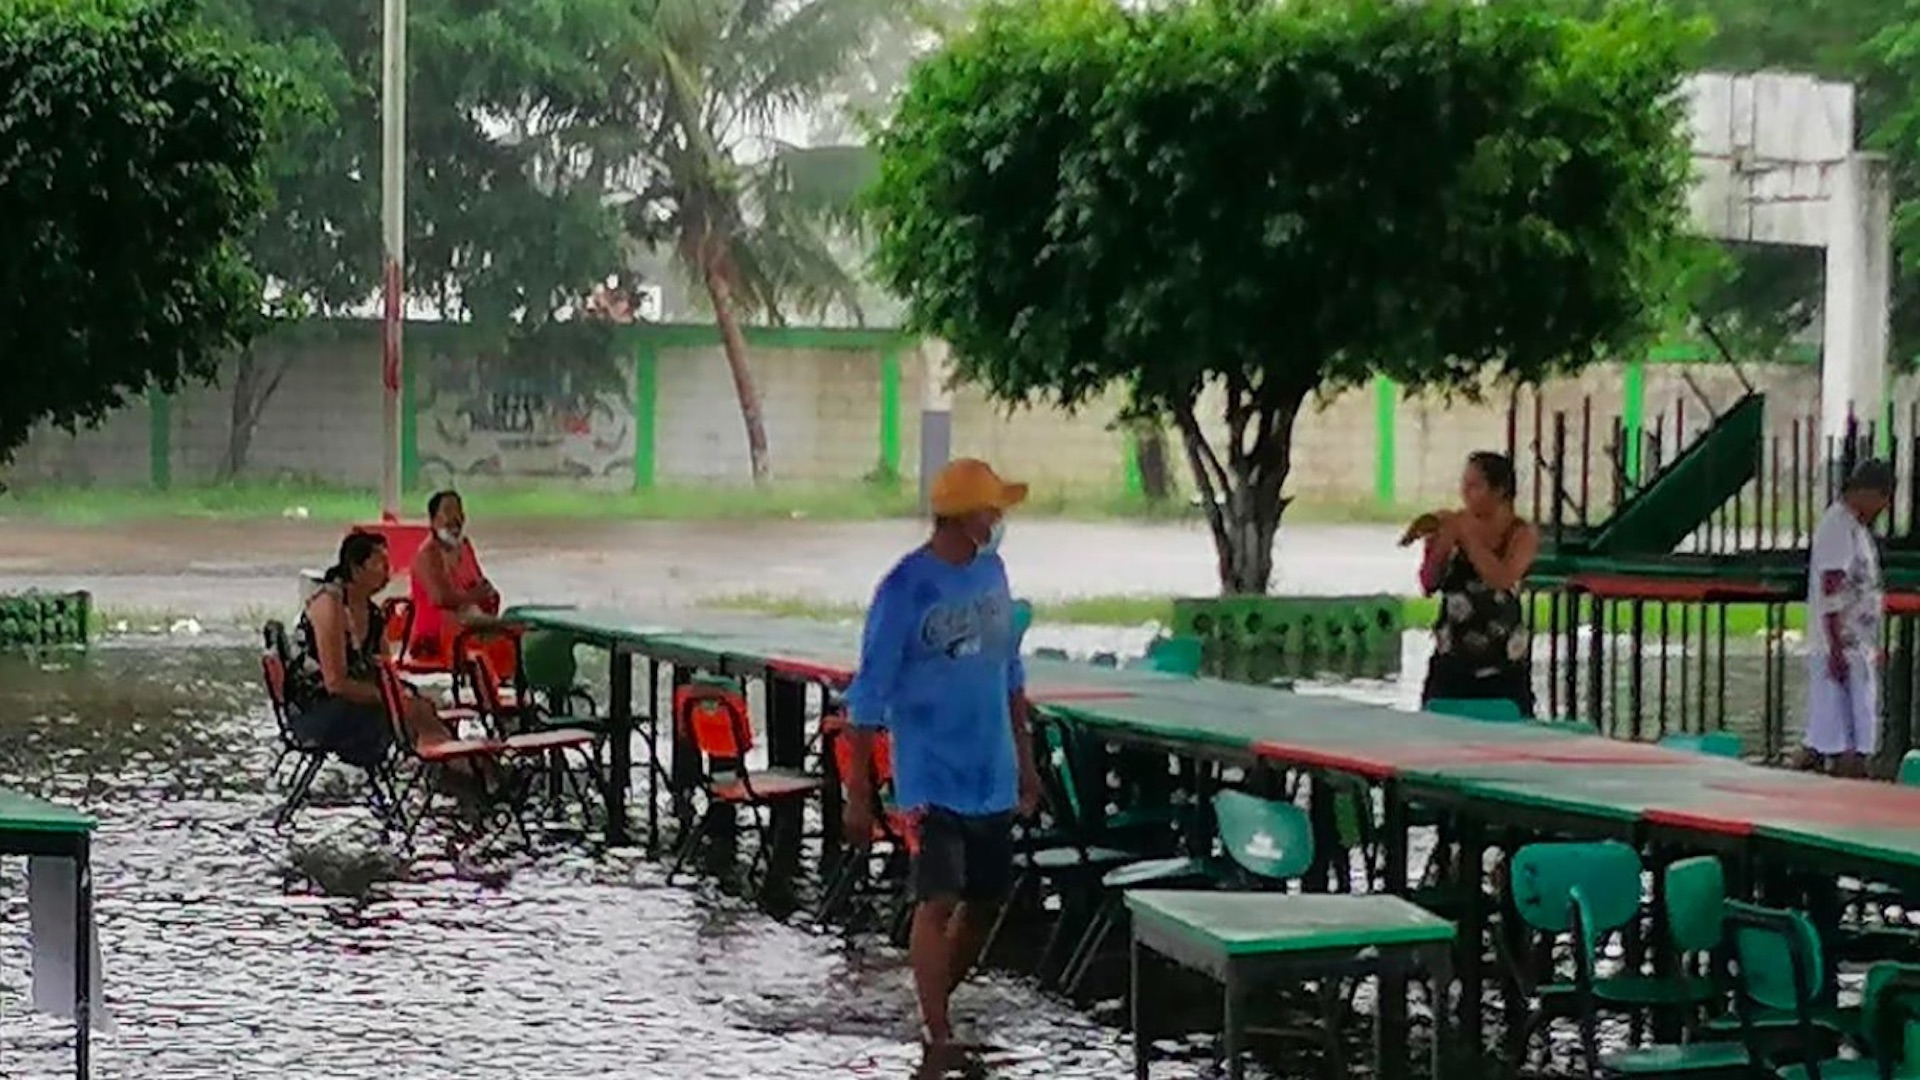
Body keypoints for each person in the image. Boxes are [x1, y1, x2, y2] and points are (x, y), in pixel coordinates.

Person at [841, 458, 1044, 1053]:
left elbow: (1011, 674)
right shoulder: (905, 587)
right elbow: (868, 693)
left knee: (984, 903)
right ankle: (937, 1034)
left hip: (993, 771)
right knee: (938, 898)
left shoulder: (994, 574)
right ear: (966, 517)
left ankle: (932, 1002)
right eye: (993, 510)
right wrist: (859, 792)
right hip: (931, 773)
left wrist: (1027, 764)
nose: (1000, 520)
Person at [288, 531, 456, 766]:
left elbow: (386, 670)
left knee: (424, 708)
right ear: (356, 569)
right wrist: (393, 699)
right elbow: (335, 683)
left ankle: (462, 770)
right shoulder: (330, 604)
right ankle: (466, 773)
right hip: (317, 710)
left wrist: (404, 695)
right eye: (380, 564)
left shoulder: (373, 614)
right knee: (412, 713)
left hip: (352, 701)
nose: (388, 572)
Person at [1409, 450, 1540, 715]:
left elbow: (1502, 579)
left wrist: (1468, 537)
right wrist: (1441, 543)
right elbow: (1429, 583)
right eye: (1464, 485)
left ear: (1500, 490)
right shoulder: (1454, 526)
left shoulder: (1521, 533)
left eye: (1474, 486)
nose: (1465, 493)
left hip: (1504, 662)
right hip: (1452, 658)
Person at [1803, 459, 1893, 777]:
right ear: (1868, 493)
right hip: (1841, 646)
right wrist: (1836, 647)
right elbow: (1832, 587)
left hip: (1857, 645)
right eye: (1882, 501)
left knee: (1855, 731)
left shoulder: (1856, 528)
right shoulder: (1837, 526)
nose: (1882, 510)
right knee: (1841, 736)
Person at [407, 490, 514, 676]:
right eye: (448, 511)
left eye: (459, 512)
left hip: (469, 627)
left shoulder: (464, 547)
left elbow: (480, 585)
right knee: (509, 637)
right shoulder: (428, 555)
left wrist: (488, 594)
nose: (456, 518)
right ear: (433, 521)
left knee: (518, 630)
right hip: (436, 640)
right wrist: (475, 597)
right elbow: (441, 598)